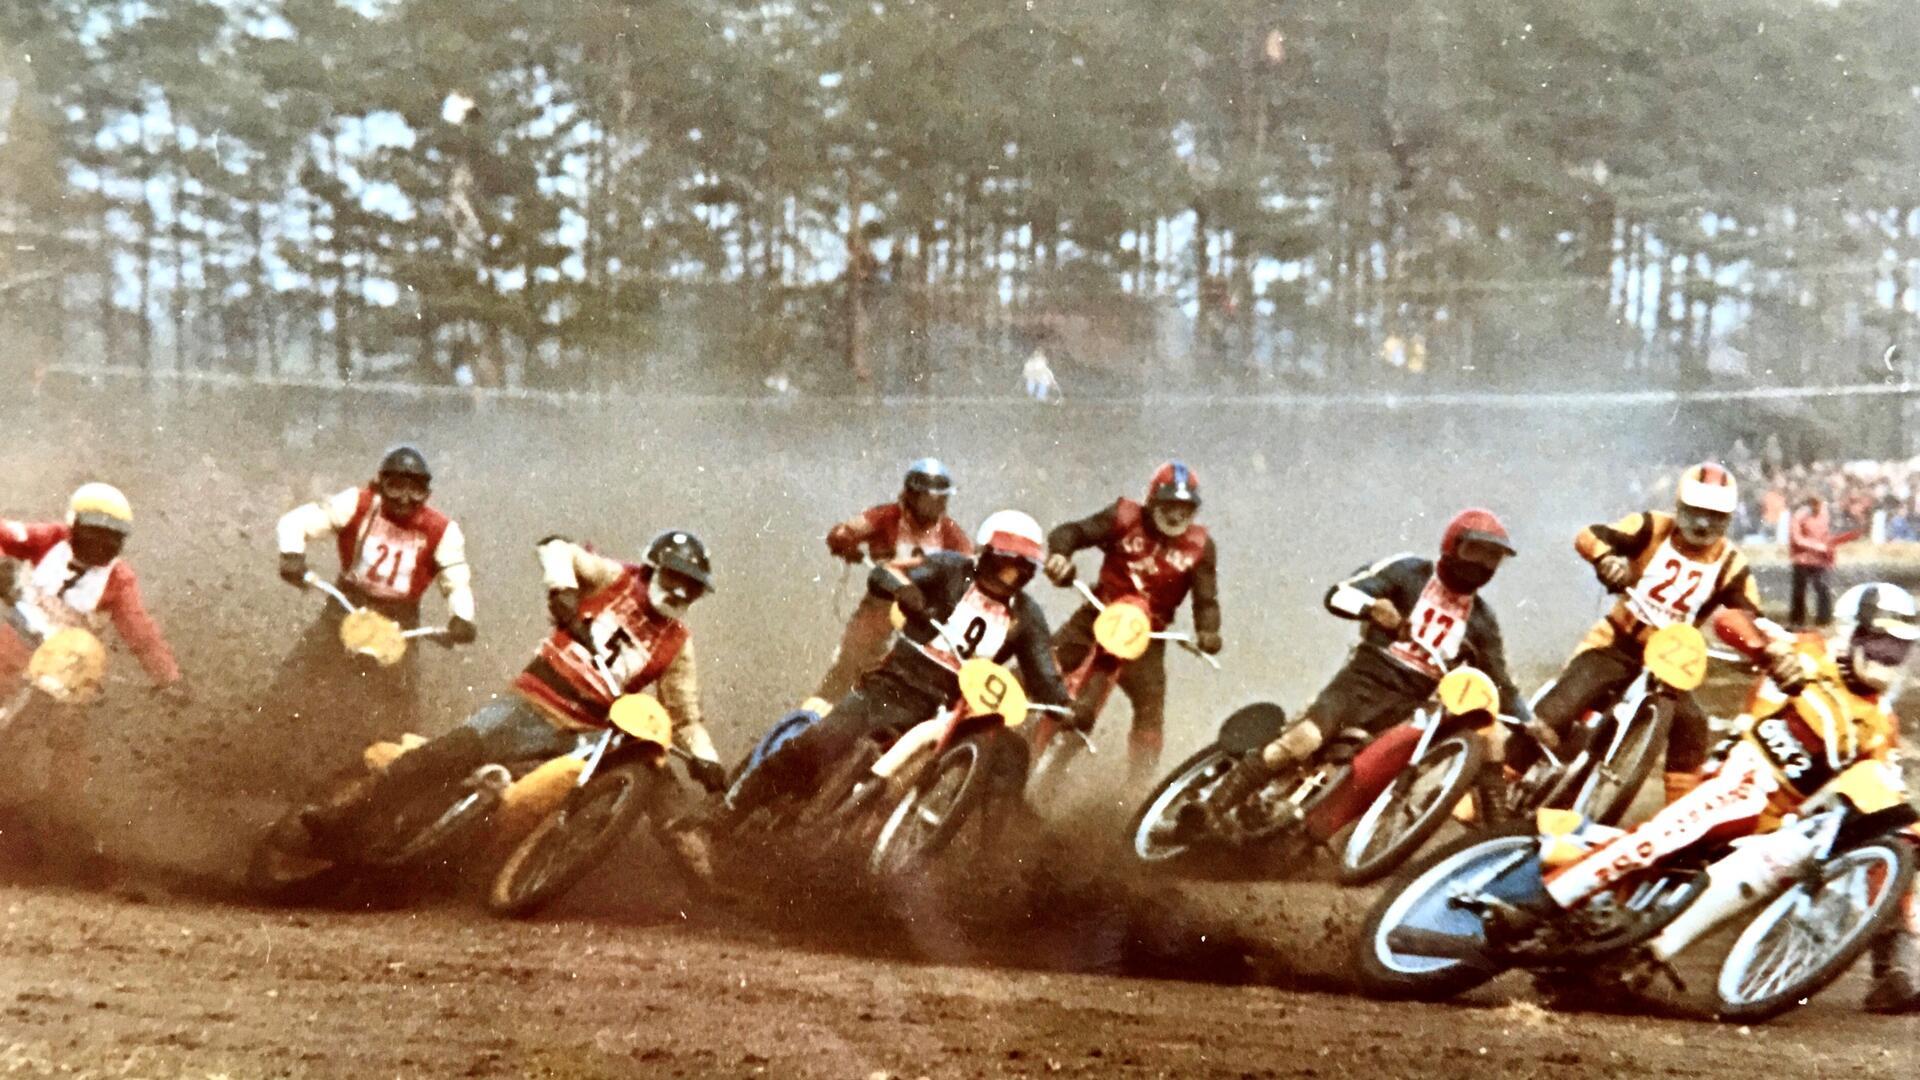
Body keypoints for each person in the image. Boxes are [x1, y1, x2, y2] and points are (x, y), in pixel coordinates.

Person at [1508, 584, 1920, 1013]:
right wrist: (1767, 652)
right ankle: (1543, 902)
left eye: (1898, 649)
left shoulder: (1880, 724)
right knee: (1718, 810)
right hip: (1740, 775)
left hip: (1782, 827)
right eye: (1880, 643)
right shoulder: (1805, 649)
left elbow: (1885, 793)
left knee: (1889, 840)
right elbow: (1729, 621)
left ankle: (1899, 969)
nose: (1886, 658)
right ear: (1850, 631)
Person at [299, 529, 726, 850]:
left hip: (586, 732)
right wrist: (563, 592)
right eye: (674, 577)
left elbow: (686, 718)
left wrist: (707, 762)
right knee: (444, 755)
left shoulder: (678, 643)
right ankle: (345, 815)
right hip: (530, 704)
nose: (680, 590)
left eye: (691, 586)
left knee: (624, 776)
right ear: (653, 568)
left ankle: (697, 857)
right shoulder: (614, 579)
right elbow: (554, 546)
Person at [677, 511, 1068, 860]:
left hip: (953, 713)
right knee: (819, 743)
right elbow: (888, 571)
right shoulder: (950, 568)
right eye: (1006, 559)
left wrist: (1066, 705)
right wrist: (907, 590)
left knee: (1010, 755)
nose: (1011, 571)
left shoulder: (1028, 617)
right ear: (986, 552)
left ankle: (989, 866)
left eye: (1024, 564)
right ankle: (718, 821)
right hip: (896, 687)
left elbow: (1046, 676)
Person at [1199, 509, 1529, 829]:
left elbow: (1499, 684)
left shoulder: (1482, 621)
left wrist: (1533, 723)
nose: (1480, 564)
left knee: (1488, 736)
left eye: (1491, 557)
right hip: (1360, 683)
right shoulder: (1409, 572)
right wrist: (1372, 607)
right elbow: (1339, 594)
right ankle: (1211, 807)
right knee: (1304, 739)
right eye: (1475, 550)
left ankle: (1495, 832)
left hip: (1410, 708)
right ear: (1452, 545)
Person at [1516, 463, 1763, 804]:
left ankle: (1679, 819)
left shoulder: (1732, 563)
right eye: (1695, 512)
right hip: (1617, 643)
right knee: (1561, 707)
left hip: (1669, 662)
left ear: (1729, 519)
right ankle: (1493, 788)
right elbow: (1589, 535)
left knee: (1693, 726)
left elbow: (1751, 615)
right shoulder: (1650, 526)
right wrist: (1608, 560)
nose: (1703, 524)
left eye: (1715, 516)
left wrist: (1765, 646)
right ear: (1680, 507)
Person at [263, 445, 476, 740]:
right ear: (380, 484)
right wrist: (292, 554)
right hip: (347, 605)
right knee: (301, 673)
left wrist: (462, 616)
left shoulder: (442, 530)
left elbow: (456, 578)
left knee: (400, 704)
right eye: (395, 486)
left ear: (427, 494)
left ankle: (394, 761)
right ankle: (266, 732)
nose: (404, 498)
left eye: (414, 490)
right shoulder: (358, 504)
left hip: (400, 621)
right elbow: (295, 521)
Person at [0, 484, 186, 807]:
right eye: (93, 535)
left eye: (110, 540)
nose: (100, 546)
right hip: (15, 639)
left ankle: (61, 808)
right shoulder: (46, 539)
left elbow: (141, 634)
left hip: (69, 664)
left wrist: (167, 677)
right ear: (73, 527)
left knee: (67, 732)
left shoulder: (118, 580)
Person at [1043, 462, 1221, 783]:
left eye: (1185, 508)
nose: (1176, 516)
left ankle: (1138, 788)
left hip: (1146, 638)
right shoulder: (1124, 517)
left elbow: (1206, 599)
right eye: (1169, 505)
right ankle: (992, 724)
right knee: (1041, 663)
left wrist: (1209, 631)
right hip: (1097, 615)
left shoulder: (1201, 548)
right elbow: (1073, 531)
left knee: (1151, 709)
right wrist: (1059, 554)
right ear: (1152, 501)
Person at [815, 459, 972, 702]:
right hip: (883, 602)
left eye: (941, 500)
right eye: (930, 499)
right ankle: (820, 709)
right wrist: (844, 541)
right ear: (911, 495)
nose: (936, 507)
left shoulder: (951, 533)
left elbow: (969, 566)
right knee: (853, 658)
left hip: (924, 610)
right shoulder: (887, 516)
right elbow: (845, 530)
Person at [1788, 495, 1858, 627]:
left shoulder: (1825, 514)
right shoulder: (1799, 516)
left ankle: (1824, 621)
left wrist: (1830, 553)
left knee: (1824, 590)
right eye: (1814, 504)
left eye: (1819, 504)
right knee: (1799, 592)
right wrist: (1817, 546)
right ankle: (1797, 621)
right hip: (1802, 559)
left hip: (1820, 560)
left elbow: (1828, 536)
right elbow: (1796, 539)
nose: (1817, 507)